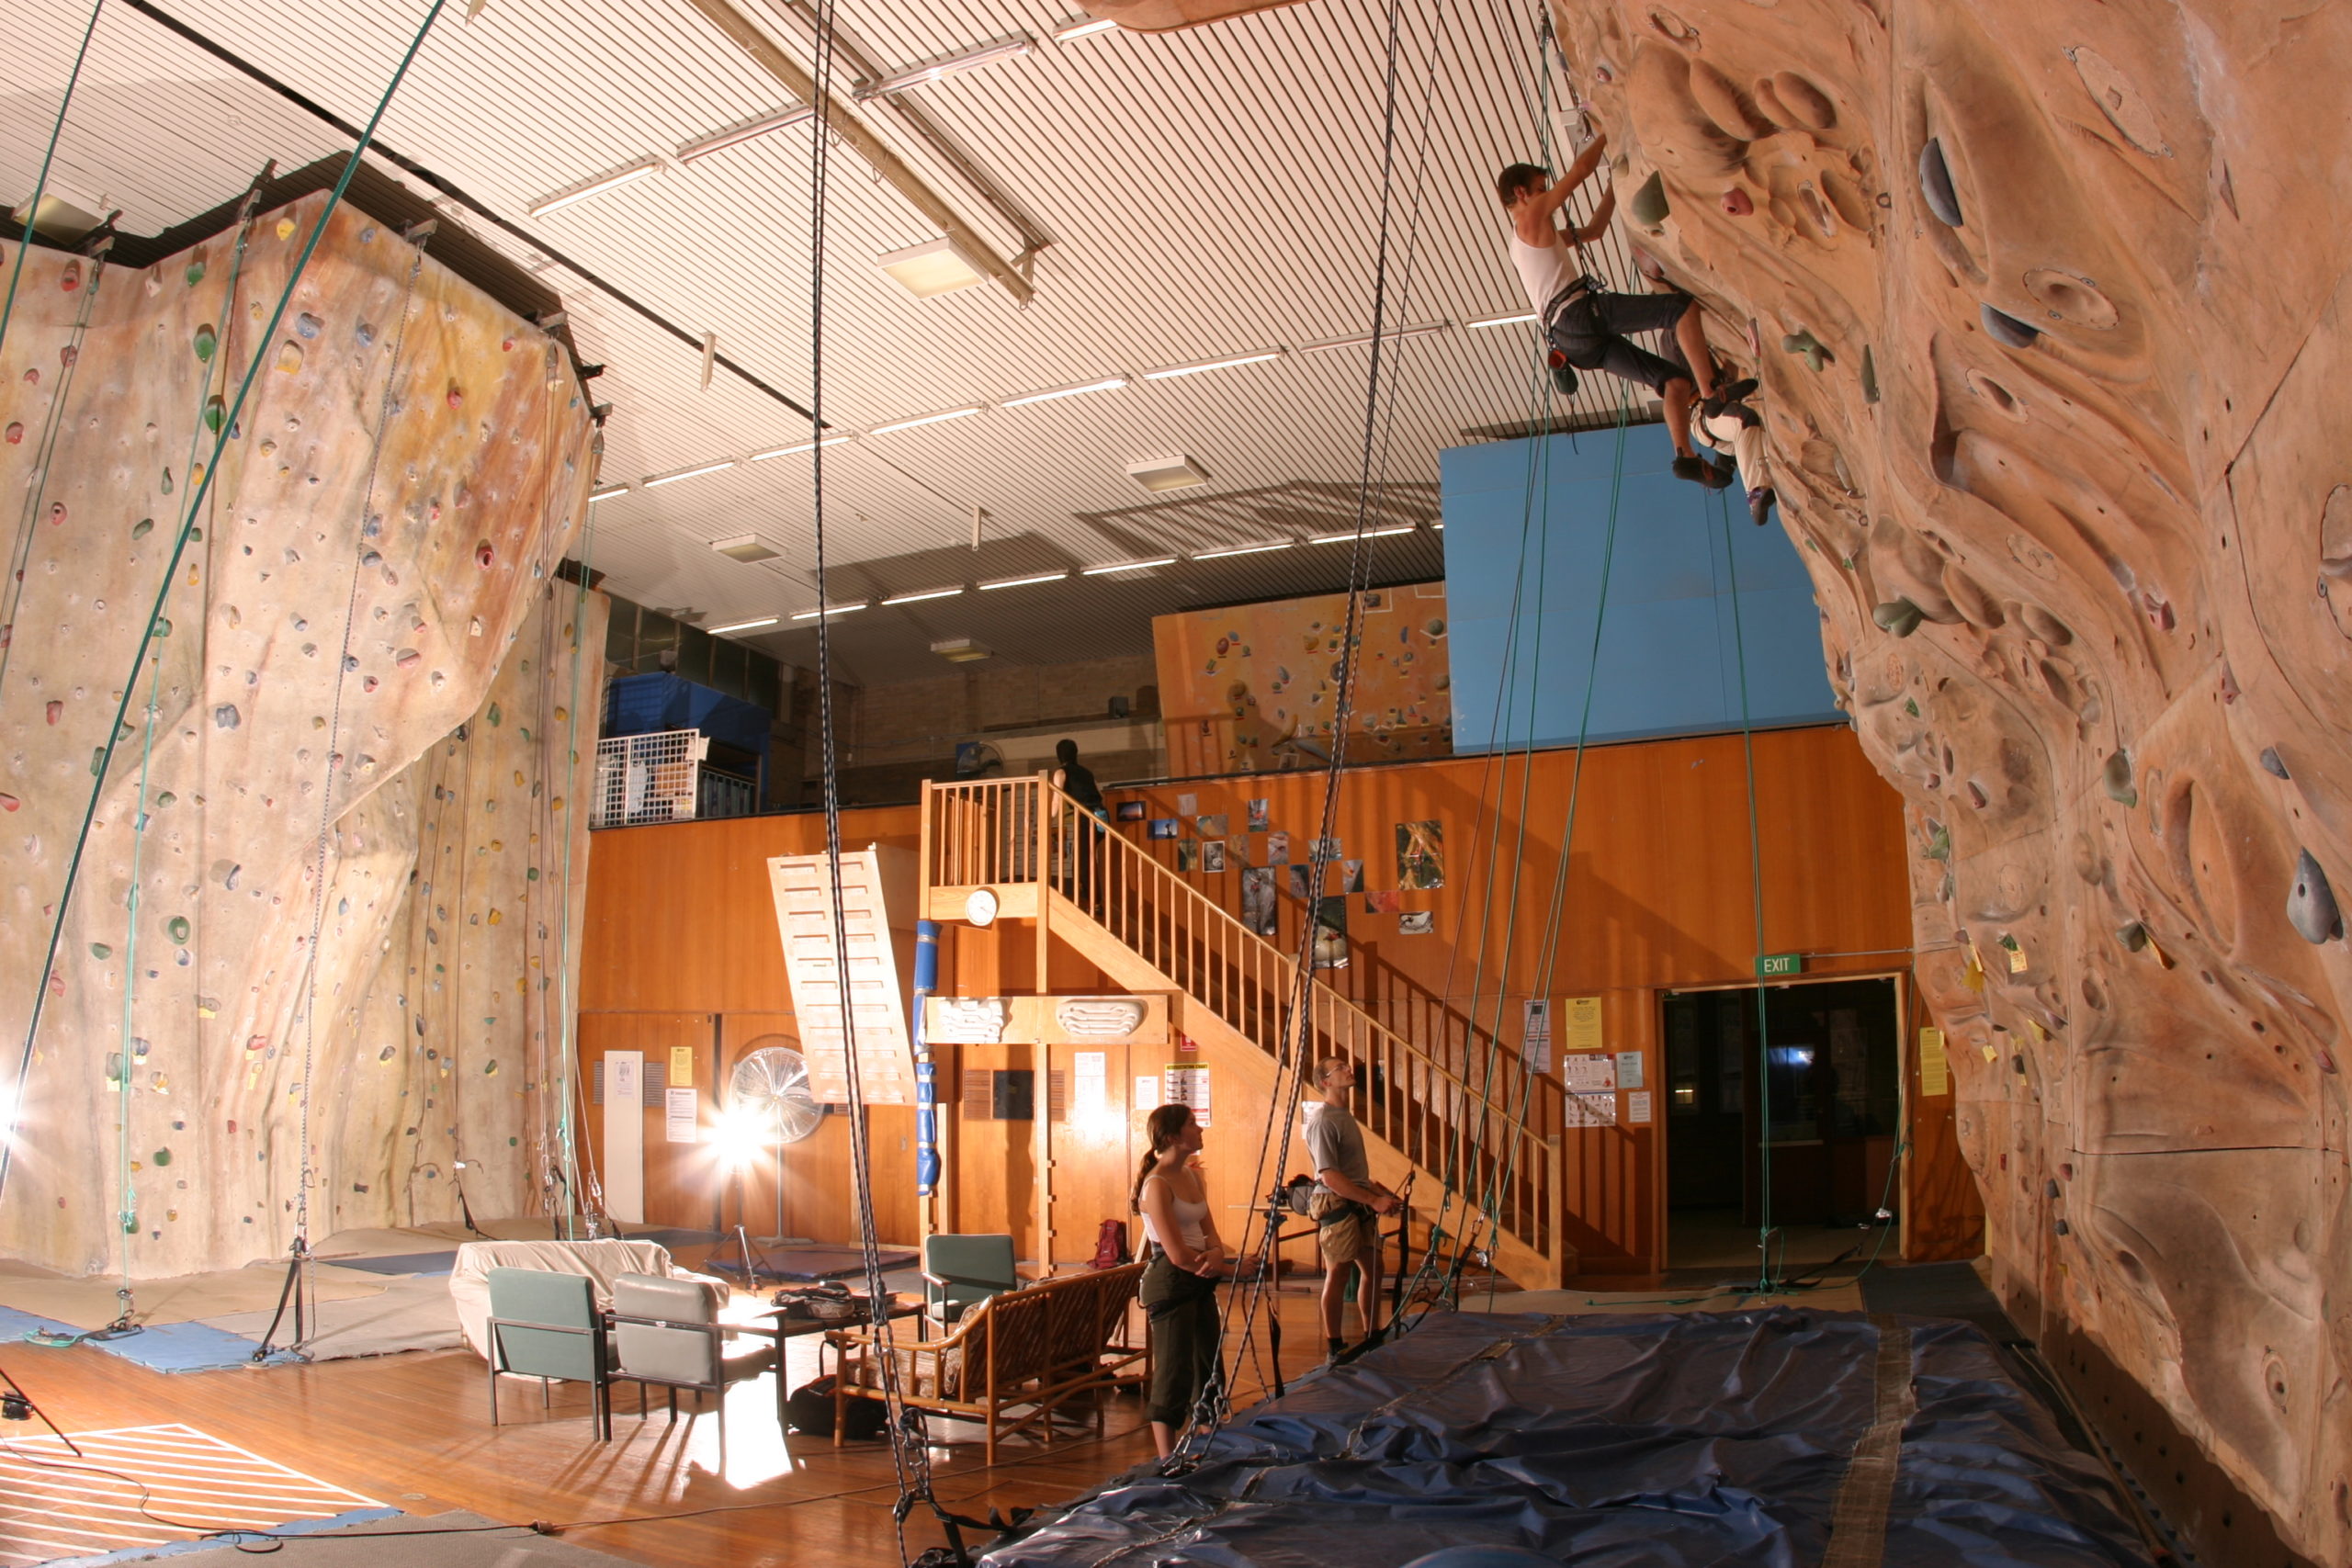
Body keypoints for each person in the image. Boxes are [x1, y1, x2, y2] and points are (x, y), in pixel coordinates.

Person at [1497, 133, 1757, 487]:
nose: (1546, 193)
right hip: (1578, 317)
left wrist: (1613, 187)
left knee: (1675, 382)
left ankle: (1685, 455)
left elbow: (1593, 231)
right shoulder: (1528, 220)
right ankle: (1711, 395)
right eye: (1541, 188)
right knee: (1679, 309)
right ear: (1522, 193)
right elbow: (1580, 169)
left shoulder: (1530, 241)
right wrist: (1607, 133)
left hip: (1574, 346)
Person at [1136, 1103, 1228, 1458]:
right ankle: (1166, 1457)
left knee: (1208, 1362)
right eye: (1192, 1124)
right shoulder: (1156, 1184)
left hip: (1198, 1275)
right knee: (1175, 1369)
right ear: (1174, 1137)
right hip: (1171, 1281)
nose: (1200, 1128)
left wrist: (1217, 1254)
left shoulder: (1191, 1175)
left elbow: (1210, 1233)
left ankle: (1207, 1434)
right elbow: (1176, 1254)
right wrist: (1226, 1268)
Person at [1304, 1055, 1401, 1359]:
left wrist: (1377, 1192)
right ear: (1326, 1082)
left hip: (1357, 1197)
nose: (1348, 1070)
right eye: (1340, 1068)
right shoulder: (1323, 1121)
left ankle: (1373, 1332)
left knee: (1373, 1267)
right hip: (1337, 1202)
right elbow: (1330, 1175)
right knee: (1340, 1271)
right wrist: (1373, 1200)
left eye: (1346, 1065)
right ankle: (1335, 1343)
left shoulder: (1345, 1116)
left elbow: (1352, 1172)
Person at [1050, 738, 1107, 908]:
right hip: (1102, 815)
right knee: (1084, 859)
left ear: (1059, 755)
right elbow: (1100, 795)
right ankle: (1090, 898)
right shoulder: (1087, 772)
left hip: (1087, 816)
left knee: (1083, 862)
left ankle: (1094, 902)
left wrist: (1046, 819)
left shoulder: (1061, 772)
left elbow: (1056, 799)